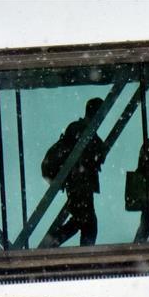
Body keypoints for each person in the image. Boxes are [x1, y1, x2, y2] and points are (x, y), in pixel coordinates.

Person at [40, 97, 106, 247]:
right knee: (87, 223)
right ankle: (53, 245)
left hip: (78, 184)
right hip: (79, 184)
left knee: (82, 221)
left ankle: (51, 244)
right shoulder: (82, 130)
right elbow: (90, 154)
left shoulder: (79, 128)